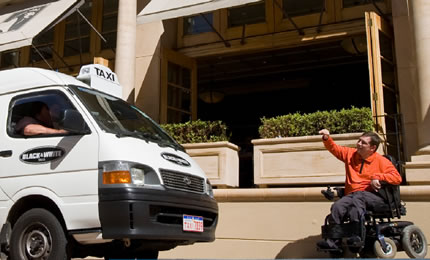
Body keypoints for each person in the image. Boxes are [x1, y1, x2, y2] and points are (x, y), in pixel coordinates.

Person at [317, 129, 402, 250]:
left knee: (358, 198)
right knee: (338, 206)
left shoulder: (382, 161)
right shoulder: (350, 154)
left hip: (374, 197)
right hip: (353, 196)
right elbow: (335, 149)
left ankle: (356, 236)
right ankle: (333, 242)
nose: (358, 144)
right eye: (359, 141)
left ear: (372, 148)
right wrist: (327, 138)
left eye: (363, 143)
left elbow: (397, 178)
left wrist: (378, 176)